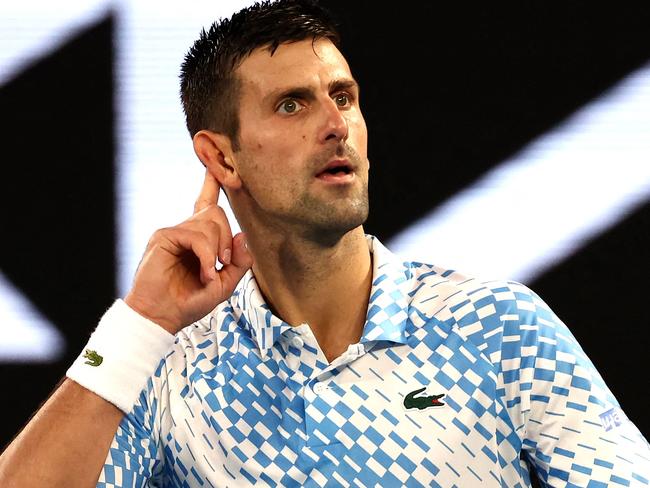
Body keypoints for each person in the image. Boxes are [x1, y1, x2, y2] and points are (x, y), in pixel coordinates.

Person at [1, 0, 649, 486]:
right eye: (292, 105)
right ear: (221, 159)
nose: (337, 125)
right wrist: (139, 326)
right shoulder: (169, 367)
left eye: (343, 97)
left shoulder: (498, 328)